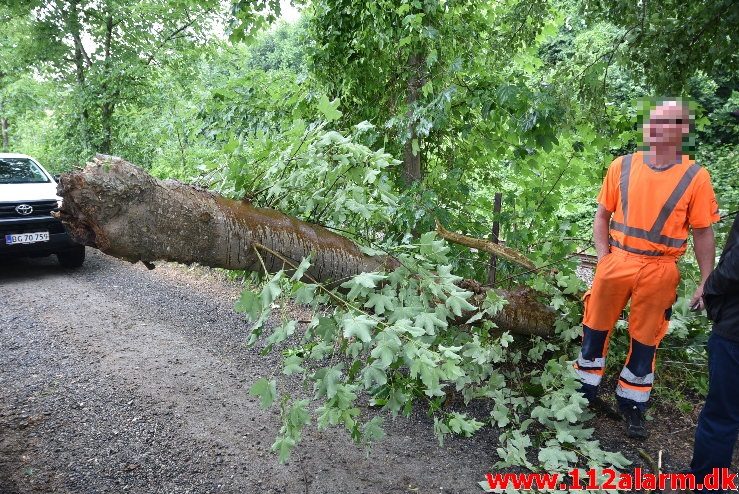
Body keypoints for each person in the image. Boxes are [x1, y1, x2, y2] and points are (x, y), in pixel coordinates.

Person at [573, 99, 720, 439]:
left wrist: (705, 280)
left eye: (665, 122)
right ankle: (583, 393)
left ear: (682, 131)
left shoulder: (695, 177)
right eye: (653, 120)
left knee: (646, 339)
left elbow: (703, 232)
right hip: (617, 261)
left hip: (660, 269)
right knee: (594, 327)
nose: (654, 127)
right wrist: (604, 257)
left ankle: (632, 404)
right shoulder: (621, 165)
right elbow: (601, 215)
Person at [689, 210, 739, 492]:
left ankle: (705, 483)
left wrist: (709, 288)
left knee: (722, 413)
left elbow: (735, 268)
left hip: (735, 331)